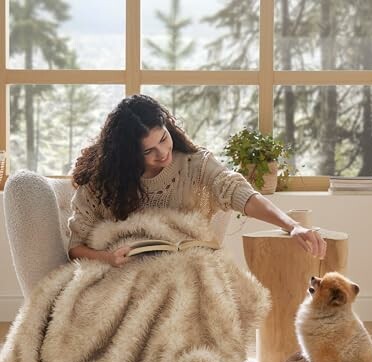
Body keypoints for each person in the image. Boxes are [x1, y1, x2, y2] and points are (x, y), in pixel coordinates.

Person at [68, 94, 326, 266]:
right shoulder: (101, 183)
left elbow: (237, 191)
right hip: (125, 274)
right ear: (125, 155)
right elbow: (75, 247)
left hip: (186, 271)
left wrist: (292, 226)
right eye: (148, 151)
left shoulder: (195, 164)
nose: (162, 153)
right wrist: (107, 258)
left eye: (163, 139)